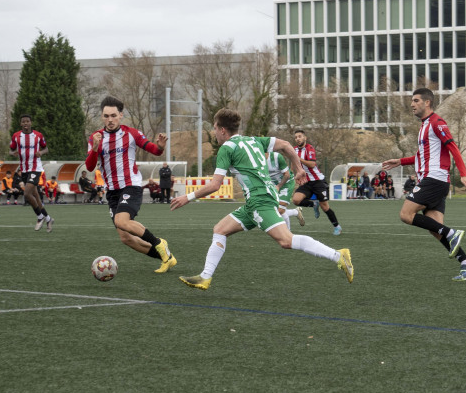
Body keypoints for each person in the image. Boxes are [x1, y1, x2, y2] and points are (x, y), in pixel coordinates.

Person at [171, 108, 353, 290]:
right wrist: (298, 169)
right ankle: (205, 277)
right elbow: (286, 146)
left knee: (286, 241)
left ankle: (338, 255)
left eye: (215, 128)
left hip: (260, 200)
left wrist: (188, 197)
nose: (215, 133)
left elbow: (215, 185)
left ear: (222, 130)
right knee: (220, 230)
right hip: (255, 201)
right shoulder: (252, 140)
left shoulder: (226, 148)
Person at [382, 88, 466, 282]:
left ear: (427, 102)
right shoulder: (424, 126)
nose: (412, 104)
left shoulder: (437, 123)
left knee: (405, 214)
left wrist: (463, 174)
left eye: (416, 100)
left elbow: (453, 147)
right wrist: (400, 161)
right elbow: (420, 157)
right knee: (435, 229)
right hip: (434, 180)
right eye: (412, 100)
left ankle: (452, 232)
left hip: (434, 179)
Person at [85, 95, 176, 273]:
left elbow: (154, 150)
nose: (109, 120)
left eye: (113, 115)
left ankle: (159, 243)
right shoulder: (95, 138)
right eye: (106, 116)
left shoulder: (131, 133)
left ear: (121, 115)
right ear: (102, 117)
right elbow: (89, 166)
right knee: (126, 238)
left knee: (122, 220)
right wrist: (95, 148)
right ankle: (167, 257)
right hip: (112, 191)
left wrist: (160, 147)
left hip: (130, 186)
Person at [291, 129, 342, 235]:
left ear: (305, 138)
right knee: (296, 200)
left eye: (300, 136)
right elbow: (293, 164)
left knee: (325, 207)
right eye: (296, 137)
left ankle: (337, 226)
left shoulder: (309, 148)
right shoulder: (294, 150)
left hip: (318, 181)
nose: (297, 139)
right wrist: (296, 175)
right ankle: (314, 204)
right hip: (307, 182)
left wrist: (299, 159)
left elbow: (312, 164)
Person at [9, 114, 54, 232]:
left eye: (27, 121)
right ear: (20, 124)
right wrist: (12, 153)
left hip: (35, 168)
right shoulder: (16, 136)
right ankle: (48, 219)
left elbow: (46, 148)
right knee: (36, 197)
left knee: (27, 194)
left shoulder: (38, 135)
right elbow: (11, 150)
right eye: (23, 121)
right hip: (24, 169)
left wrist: (41, 153)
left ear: (31, 123)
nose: (25, 123)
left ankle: (40, 217)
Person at [266, 150, 304, 230]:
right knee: (274, 210)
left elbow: (287, 175)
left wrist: (279, 186)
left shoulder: (276, 157)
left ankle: (288, 234)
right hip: (273, 185)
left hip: (286, 183)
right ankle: (296, 212)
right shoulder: (256, 160)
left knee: (280, 210)